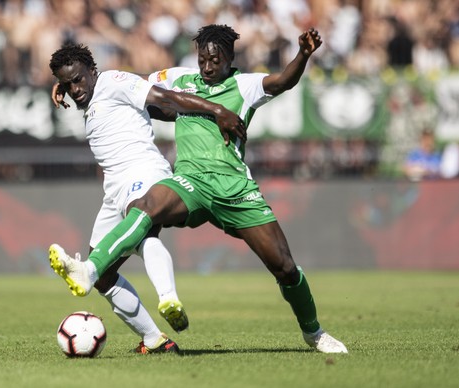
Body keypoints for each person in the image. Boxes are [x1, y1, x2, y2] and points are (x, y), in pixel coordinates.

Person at [50, 25, 348, 354]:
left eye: (215, 60)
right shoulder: (179, 78)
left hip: (235, 188)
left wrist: (303, 55)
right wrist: (68, 85)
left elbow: (282, 81)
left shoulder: (245, 85)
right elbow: (131, 87)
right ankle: (94, 272)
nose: (207, 67)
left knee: (285, 268)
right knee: (147, 208)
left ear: (230, 58)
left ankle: (314, 332)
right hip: (190, 181)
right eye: (202, 60)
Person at [48, 43, 245, 354]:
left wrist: (217, 110)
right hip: (114, 187)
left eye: (79, 80)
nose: (76, 89)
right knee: (106, 277)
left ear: (93, 72)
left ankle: (167, 295)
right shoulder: (85, 92)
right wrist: (62, 83)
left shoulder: (113, 82)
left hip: (143, 171)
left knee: (143, 232)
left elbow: (167, 99)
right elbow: (74, 81)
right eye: (68, 84)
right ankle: (155, 340)